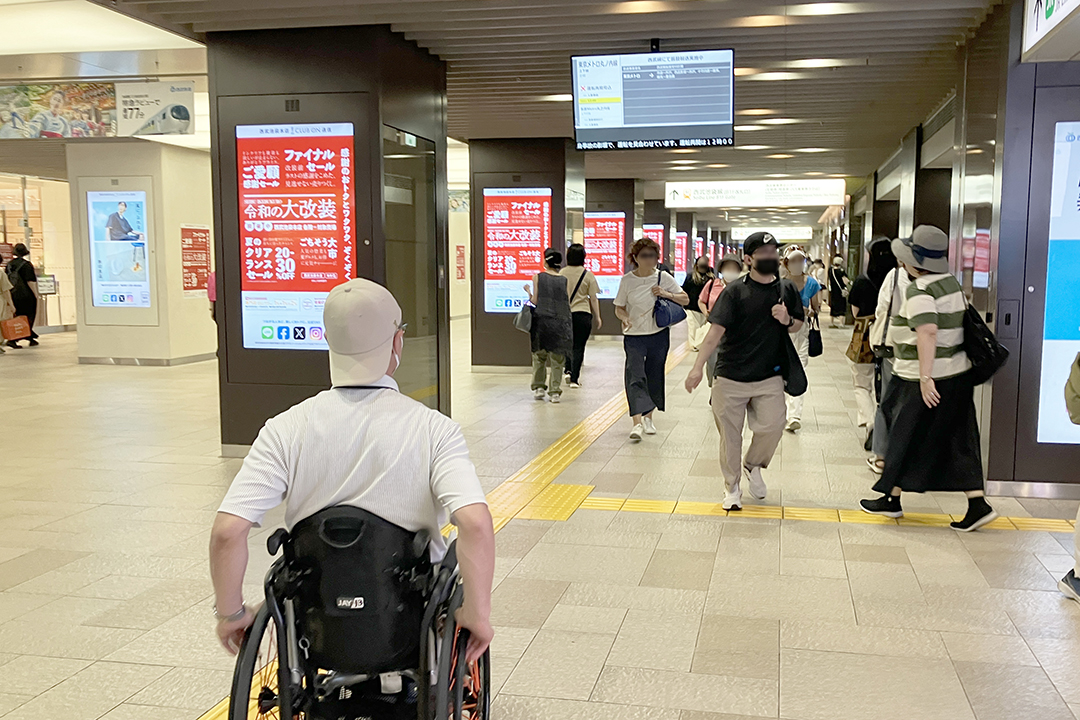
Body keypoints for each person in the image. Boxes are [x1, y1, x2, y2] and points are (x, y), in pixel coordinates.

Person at [210, 278, 495, 664]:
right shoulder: (433, 430)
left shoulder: (284, 429)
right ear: (397, 342)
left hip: (317, 621)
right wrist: (477, 615)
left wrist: (231, 614)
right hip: (407, 619)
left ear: (326, 339)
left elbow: (228, 531)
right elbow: (475, 524)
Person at [859, 225, 997, 531]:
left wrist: (925, 378)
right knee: (959, 437)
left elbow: (927, 332)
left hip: (920, 378)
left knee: (903, 434)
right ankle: (976, 503)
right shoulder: (951, 283)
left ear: (913, 261)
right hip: (957, 374)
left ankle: (891, 499)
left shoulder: (920, 290)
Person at [685, 232, 805, 510]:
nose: (770, 257)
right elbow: (714, 334)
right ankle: (732, 487)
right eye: (763, 253)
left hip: (770, 375)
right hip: (730, 376)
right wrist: (697, 367)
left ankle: (753, 465)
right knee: (730, 436)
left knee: (773, 426)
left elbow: (797, 324)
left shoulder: (785, 289)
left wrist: (787, 319)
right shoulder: (734, 292)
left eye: (773, 252)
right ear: (748, 259)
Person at [615, 237, 688, 441]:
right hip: (634, 336)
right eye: (645, 256)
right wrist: (625, 317)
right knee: (635, 375)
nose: (650, 260)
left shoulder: (662, 277)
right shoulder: (627, 280)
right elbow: (619, 307)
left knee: (654, 374)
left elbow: (685, 298)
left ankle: (649, 418)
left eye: (653, 256)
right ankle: (636, 423)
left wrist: (666, 293)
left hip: (658, 334)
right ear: (635, 258)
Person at [847, 237, 896, 446]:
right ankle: (885, 425)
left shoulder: (862, 280)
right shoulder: (897, 280)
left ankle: (869, 421)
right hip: (892, 337)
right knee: (886, 383)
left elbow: (855, 312)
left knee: (861, 382)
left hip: (864, 334)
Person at [866, 249, 910, 475]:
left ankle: (881, 456)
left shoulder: (894, 276)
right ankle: (907, 455)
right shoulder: (937, 281)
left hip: (893, 345)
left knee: (887, 400)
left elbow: (881, 308)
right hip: (923, 351)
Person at [524, 248, 572, 403]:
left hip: (542, 320)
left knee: (539, 356)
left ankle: (539, 387)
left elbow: (535, 301)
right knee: (558, 359)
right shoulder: (564, 280)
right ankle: (555, 392)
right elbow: (567, 301)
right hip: (560, 322)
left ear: (546, 261)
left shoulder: (538, 277)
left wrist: (528, 292)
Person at [782, 246, 821, 432]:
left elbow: (816, 308)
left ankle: (794, 415)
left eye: (801, 260)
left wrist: (809, 311)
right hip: (782, 330)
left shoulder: (812, 283)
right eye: (794, 260)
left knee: (800, 368)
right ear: (786, 263)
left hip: (802, 330)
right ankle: (780, 411)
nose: (798, 264)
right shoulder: (779, 284)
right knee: (780, 370)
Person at [559, 244, 601, 388]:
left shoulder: (561, 273)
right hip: (583, 314)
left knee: (567, 344)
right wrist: (598, 316)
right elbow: (593, 298)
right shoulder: (587, 275)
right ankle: (574, 379)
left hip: (565, 314)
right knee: (579, 346)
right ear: (583, 257)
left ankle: (567, 369)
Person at [700, 253, 743, 387]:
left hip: (736, 331)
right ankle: (714, 387)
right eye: (727, 267)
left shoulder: (743, 286)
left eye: (734, 268)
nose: (730, 271)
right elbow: (702, 300)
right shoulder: (712, 284)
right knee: (712, 361)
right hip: (715, 328)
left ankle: (725, 389)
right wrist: (706, 313)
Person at [5, 244, 39, 349]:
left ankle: (27, 337)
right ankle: (20, 337)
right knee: (29, 316)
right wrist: (36, 294)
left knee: (17, 316)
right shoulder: (27, 265)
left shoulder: (9, 265)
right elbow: (31, 282)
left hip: (13, 293)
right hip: (26, 295)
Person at [682, 256, 715, 351]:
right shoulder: (691, 276)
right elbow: (685, 290)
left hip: (704, 307)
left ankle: (699, 343)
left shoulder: (711, 278)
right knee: (693, 327)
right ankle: (693, 345)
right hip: (691, 307)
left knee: (702, 327)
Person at [828, 256, 849, 327]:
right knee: (841, 307)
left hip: (833, 292)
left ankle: (831, 322)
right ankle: (841, 323)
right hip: (840, 292)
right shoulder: (841, 272)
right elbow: (845, 282)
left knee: (833, 307)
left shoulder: (831, 270)